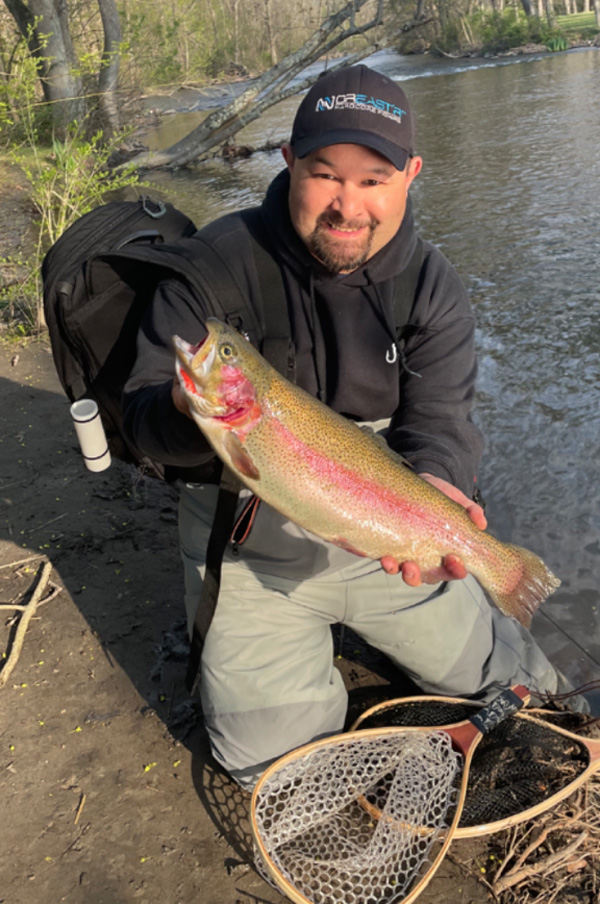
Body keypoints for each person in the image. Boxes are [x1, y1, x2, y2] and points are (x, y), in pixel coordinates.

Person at [123, 65, 576, 790]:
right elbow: (140, 427)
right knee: (269, 763)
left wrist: (439, 486)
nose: (348, 204)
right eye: (326, 174)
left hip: (386, 539)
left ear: (411, 176)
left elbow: (442, 422)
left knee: (515, 684)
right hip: (252, 559)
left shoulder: (432, 287)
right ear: (290, 163)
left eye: (373, 179)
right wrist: (185, 408)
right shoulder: (210, 271)